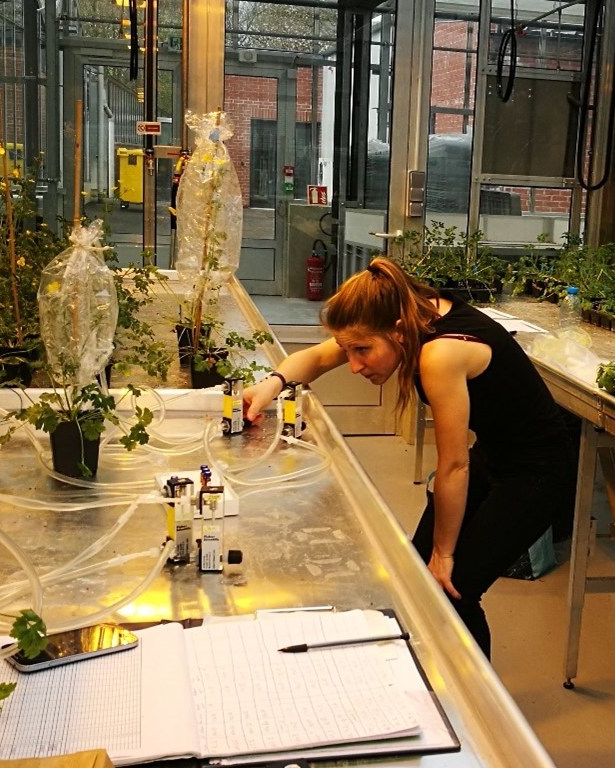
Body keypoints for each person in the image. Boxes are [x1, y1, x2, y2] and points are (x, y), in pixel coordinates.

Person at [242, 256, 577, 658]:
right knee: (421, 579)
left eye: (363, 350)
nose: (354, 365)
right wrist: (271, 384)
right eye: (349, 351)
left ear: (398, 331)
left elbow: (453, 465)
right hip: (497, 451)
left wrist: (444, 553)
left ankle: (472, 696)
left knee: (453, 591)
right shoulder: (401, 315)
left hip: (539, 472)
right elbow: (315, 359)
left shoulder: (440, 355)